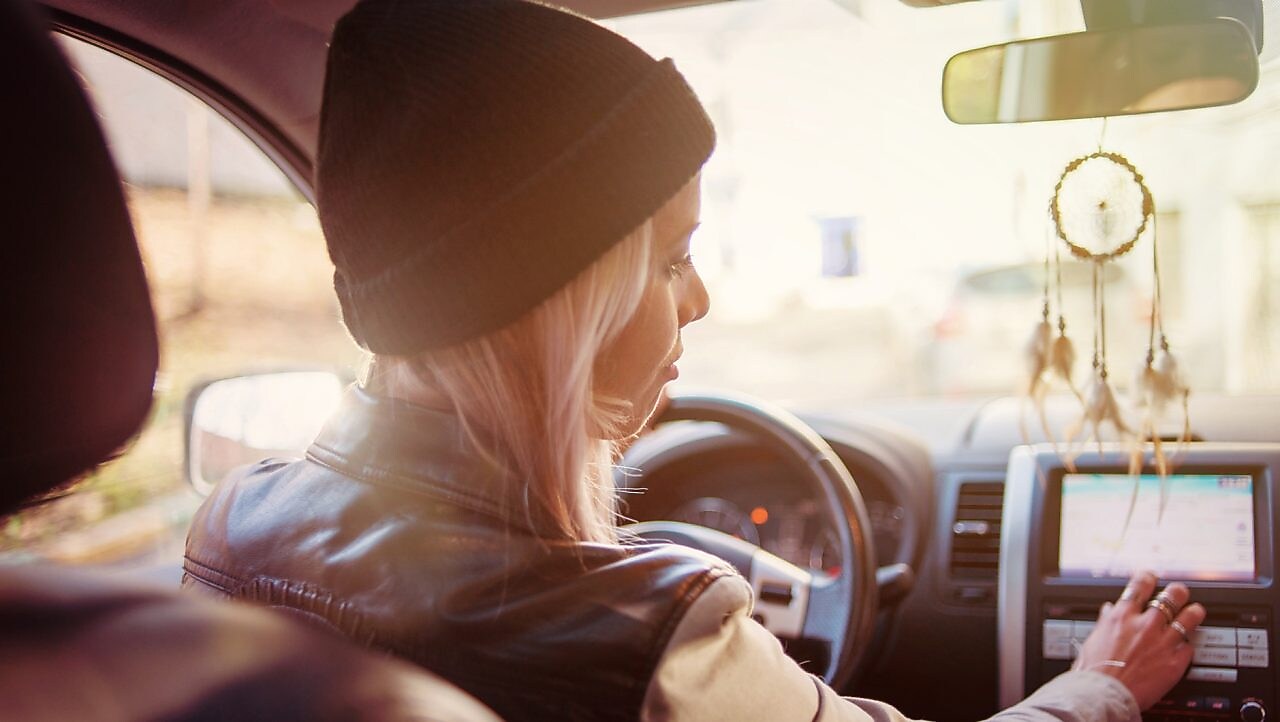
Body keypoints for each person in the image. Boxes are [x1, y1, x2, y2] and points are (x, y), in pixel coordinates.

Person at [183, 1, 1205, 720]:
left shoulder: (230, 530)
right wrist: (1101, 683)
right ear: (559, 305)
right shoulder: (650, 634)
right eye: (671, 259)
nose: (700, 298)